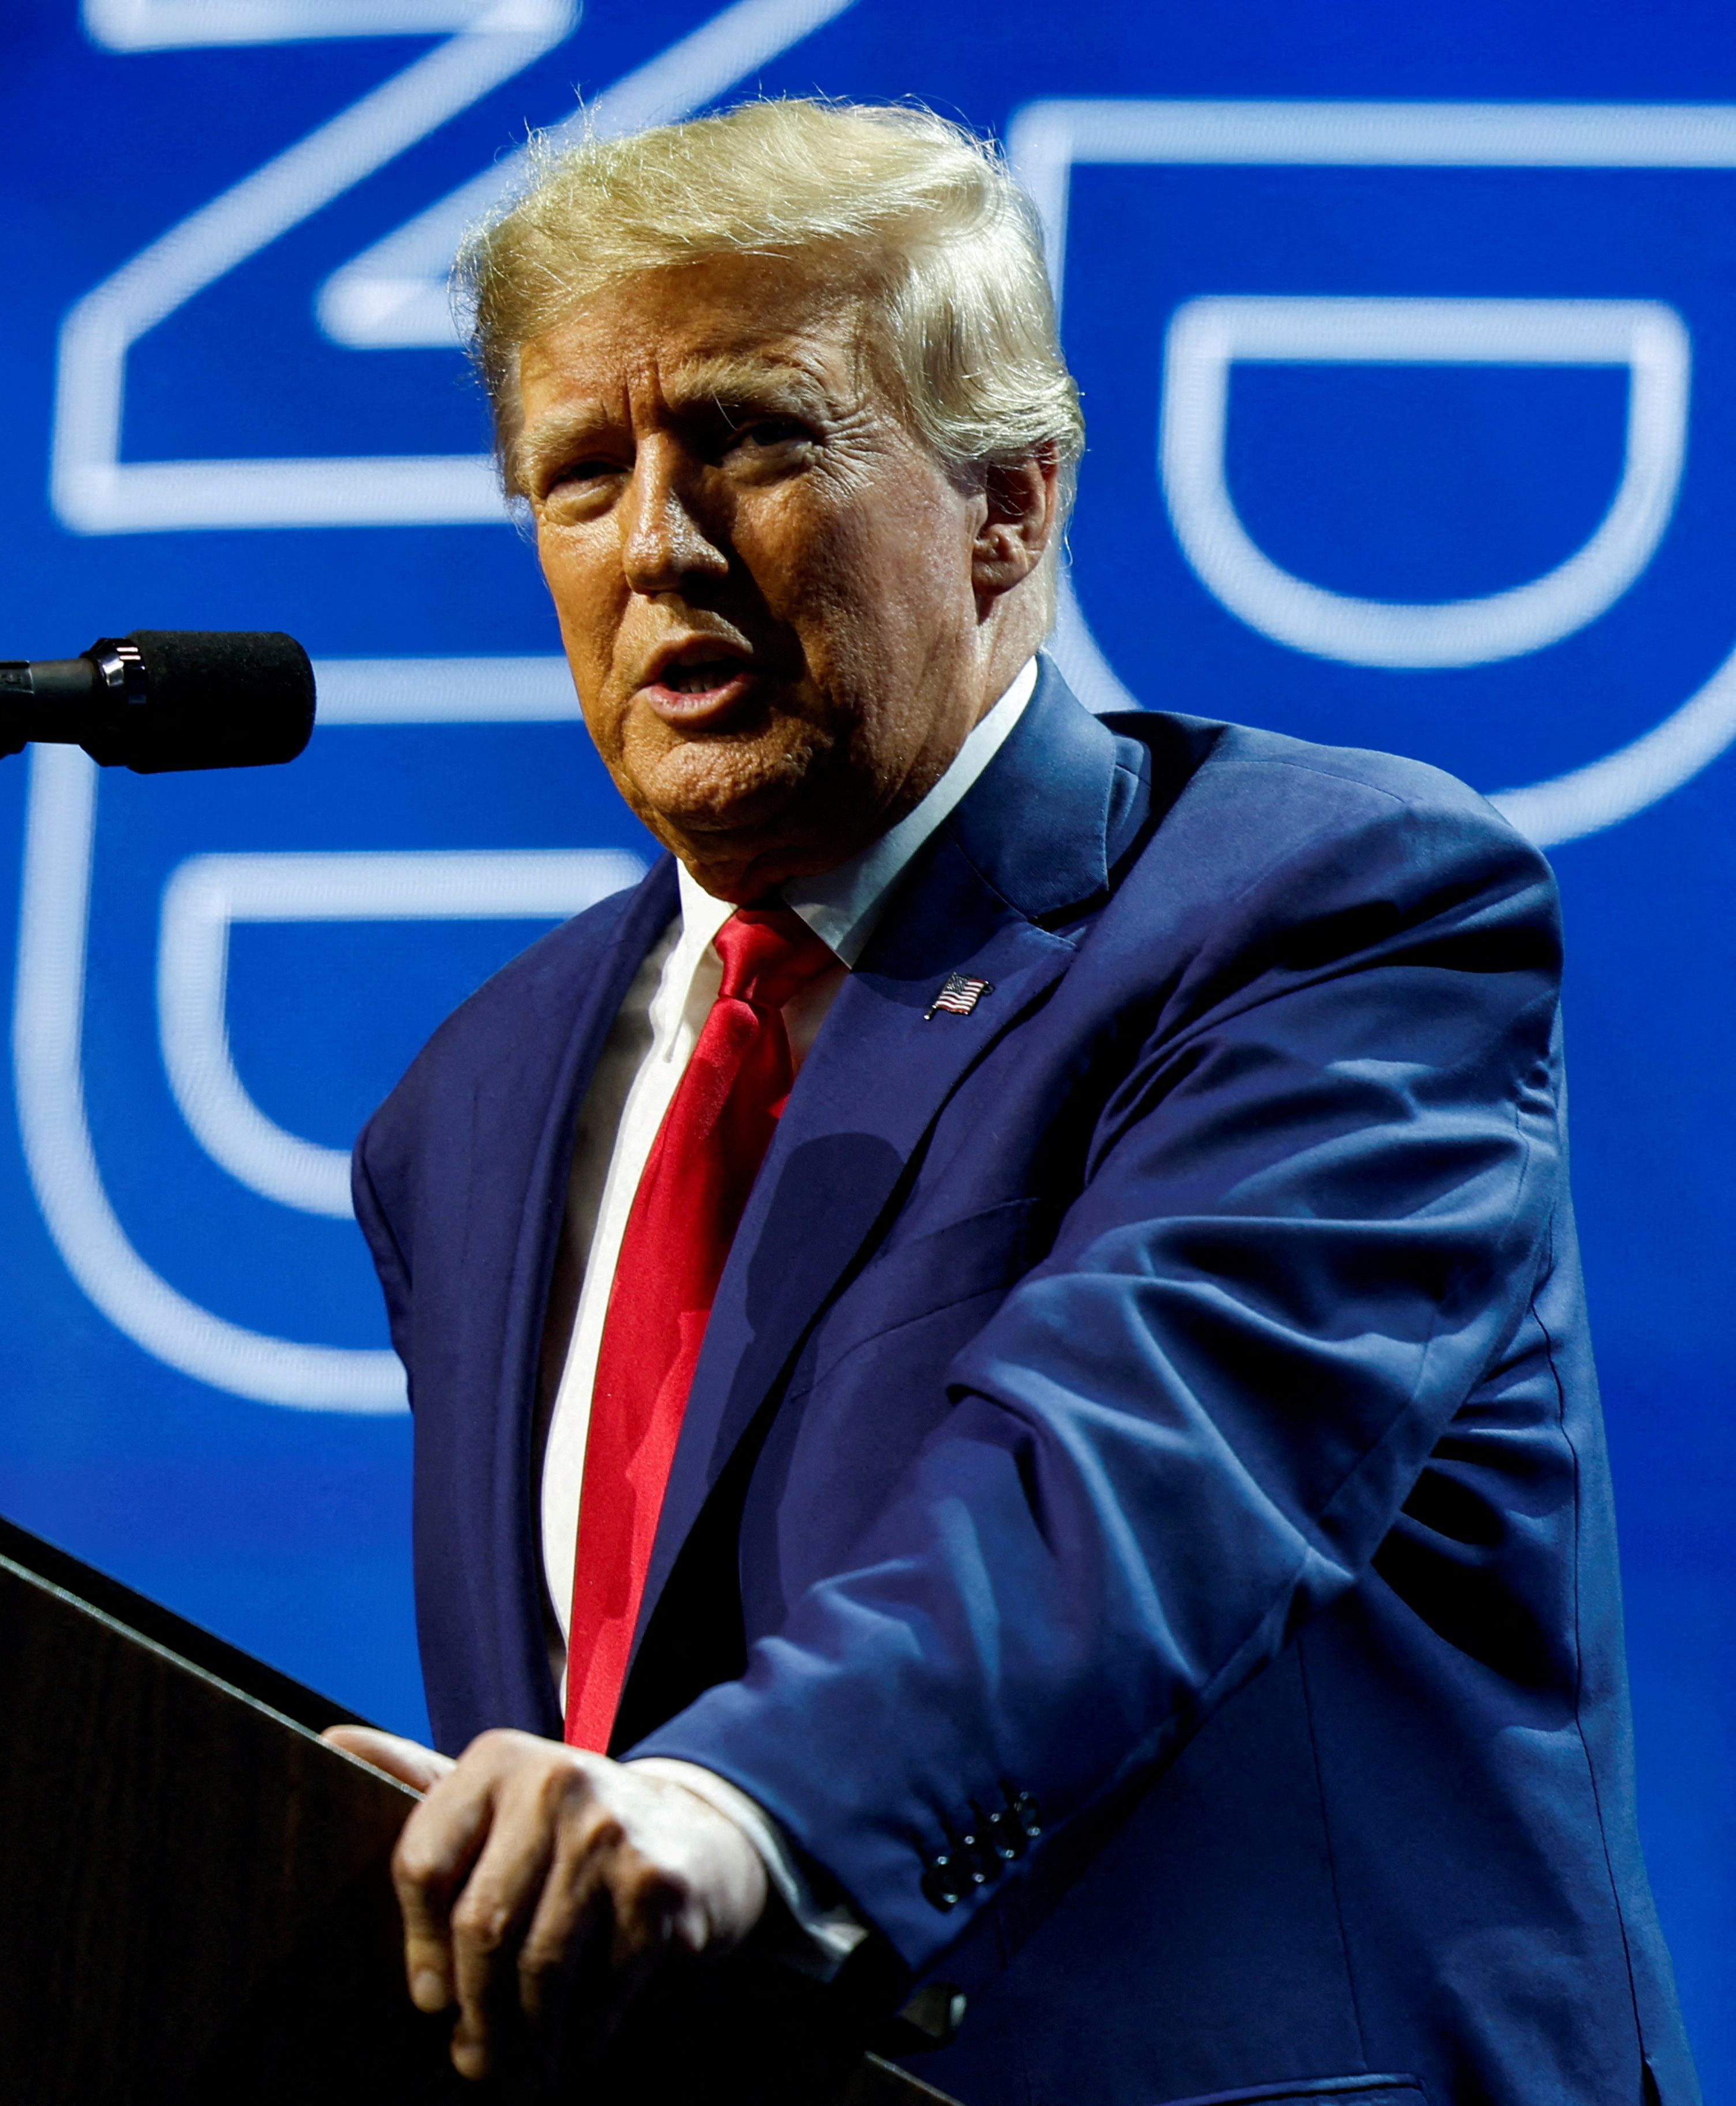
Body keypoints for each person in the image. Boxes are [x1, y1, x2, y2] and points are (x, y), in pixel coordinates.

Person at [326, 98, 1696, 2105]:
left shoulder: (1331, 914)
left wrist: (727, 1811)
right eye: (579, 474)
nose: (656, 543)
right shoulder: (466, 1104)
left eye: (753, 439)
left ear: (1007, 504)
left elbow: (1129, 1474)